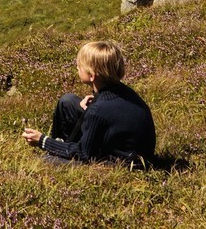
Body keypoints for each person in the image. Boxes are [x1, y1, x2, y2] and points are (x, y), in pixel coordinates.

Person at [21, 40, 155, 167]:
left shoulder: (98, 110)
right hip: (126, 147)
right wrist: (95, 100)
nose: (77, 68)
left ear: (92, 76)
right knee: (67, 102)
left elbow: (84, 153)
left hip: (121, 164)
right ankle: (60, 146)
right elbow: (111, 112)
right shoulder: (122, 92)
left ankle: (56, 150)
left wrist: (43, 141)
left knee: (44, 162)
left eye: (80, 66)